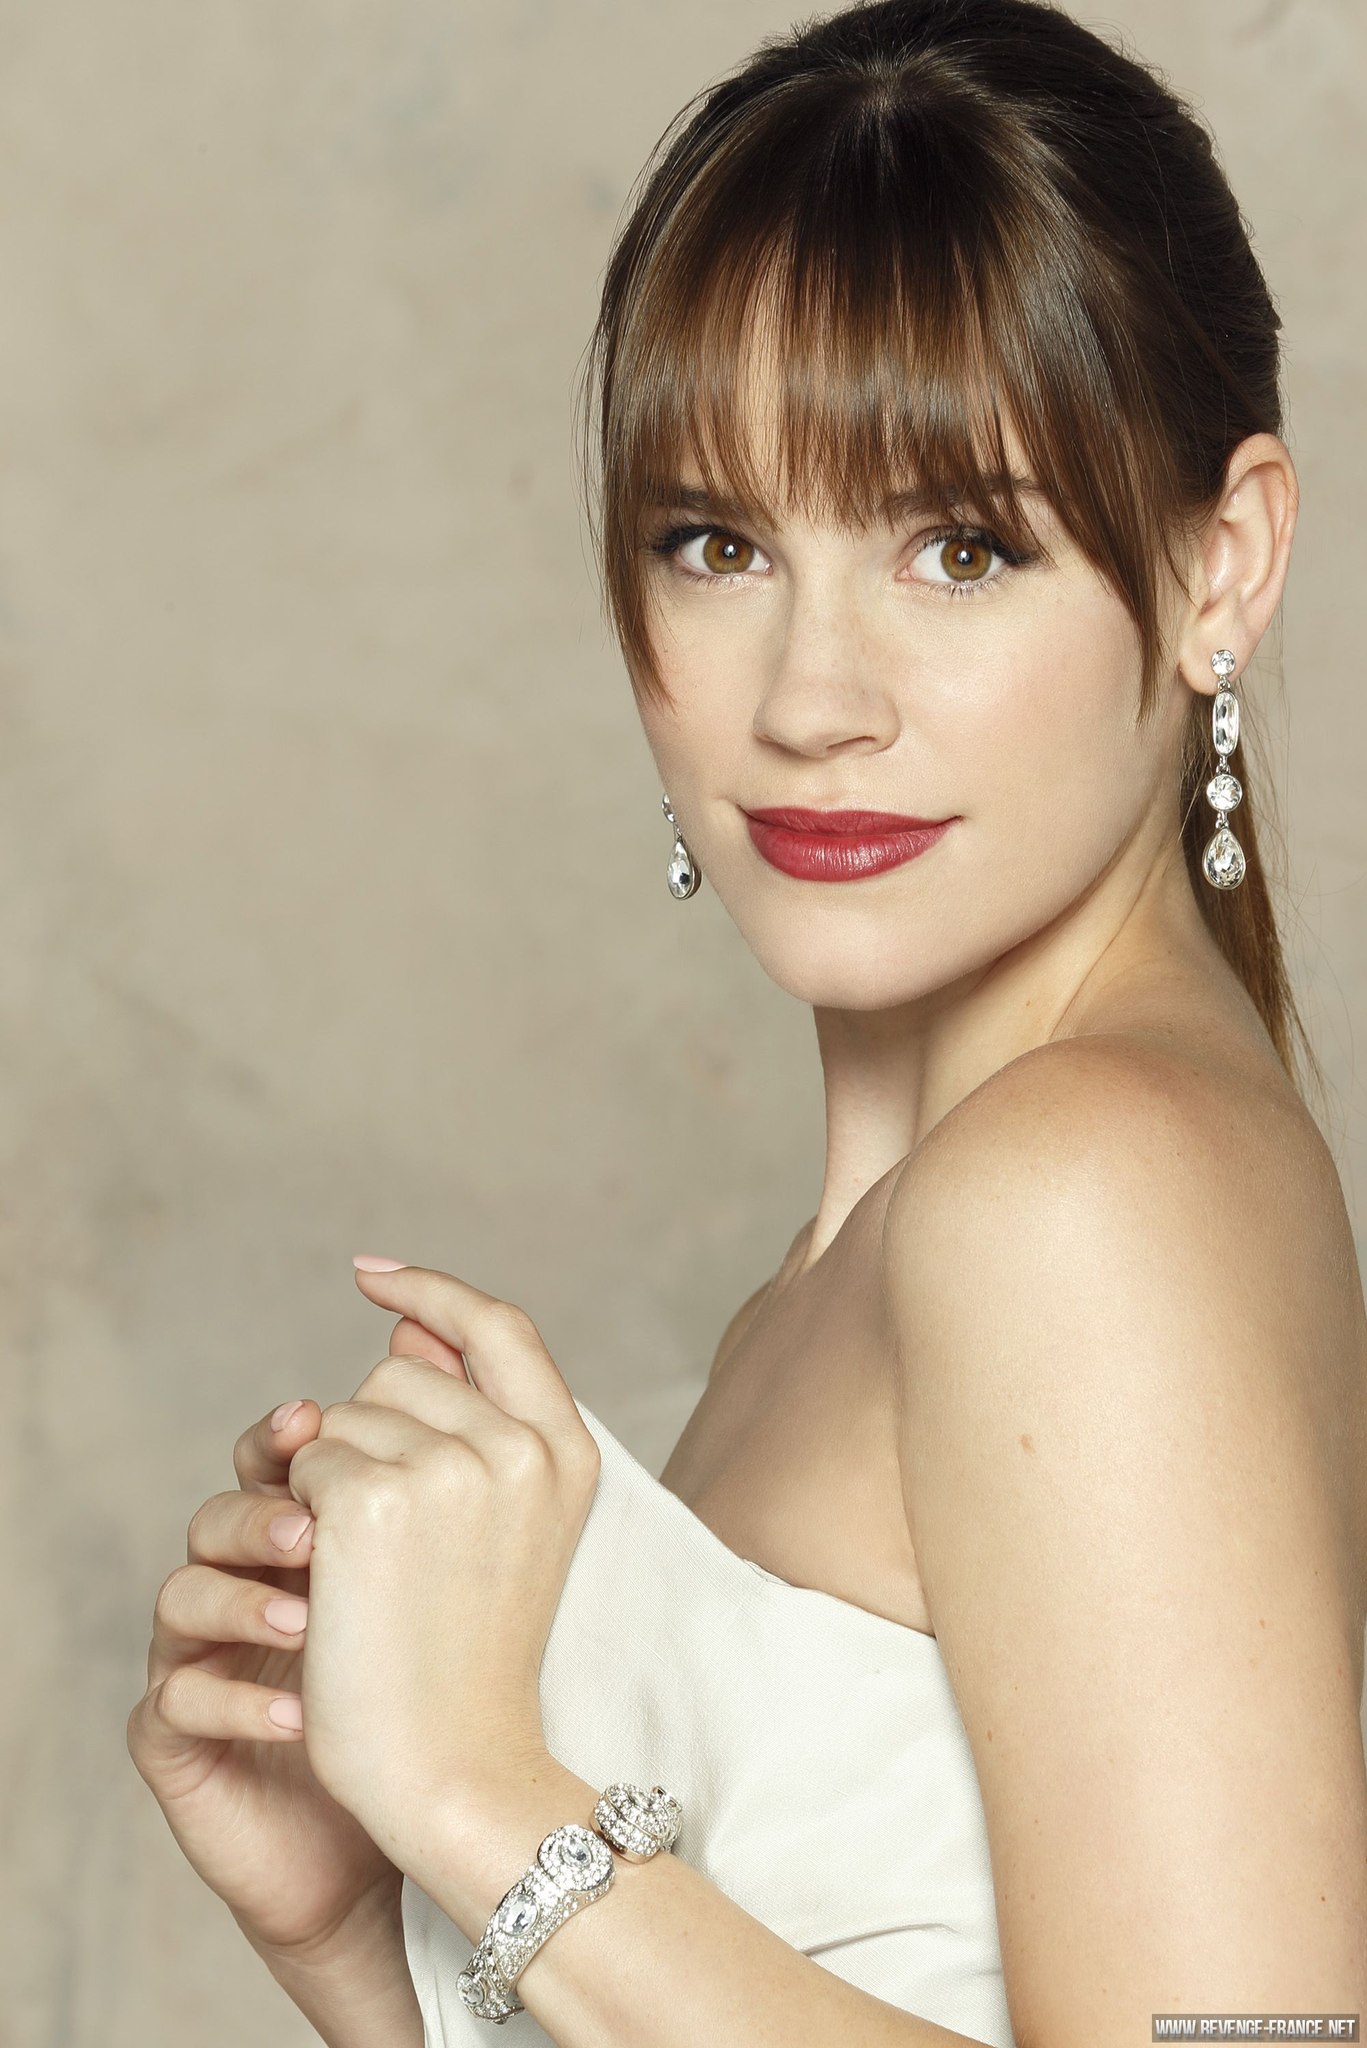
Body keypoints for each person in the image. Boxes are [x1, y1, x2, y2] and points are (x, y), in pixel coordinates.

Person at [127, 1, 1367, 2043]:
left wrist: (479, 1795)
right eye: (717, 544)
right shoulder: (838, 1277)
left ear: (1220, 564)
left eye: (959, 546)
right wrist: (365, 1934)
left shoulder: (1082, 1194)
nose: (810, 697)